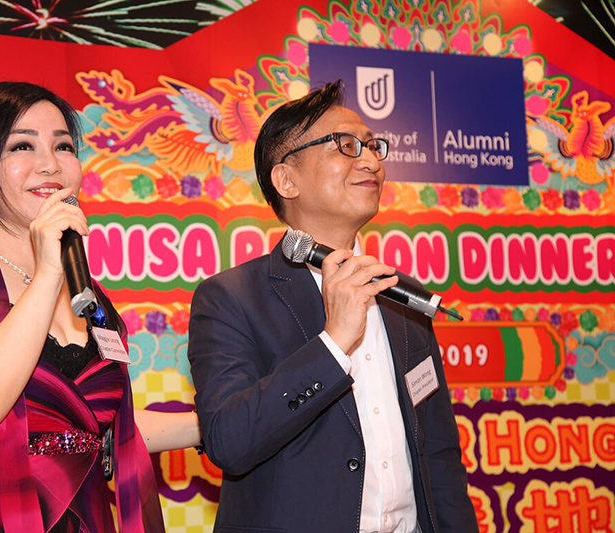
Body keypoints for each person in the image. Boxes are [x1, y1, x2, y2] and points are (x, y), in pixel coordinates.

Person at [0, 81, 200, 533]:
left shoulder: (89, 295)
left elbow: (101, 432)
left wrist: (214, 425)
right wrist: (47, 276)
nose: (50, 164)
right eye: (22, 146)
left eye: (63, 146)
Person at [187, 81, 477, 532]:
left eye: (373, 146)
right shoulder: (230, 297)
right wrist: (334, 342)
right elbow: (229, 441)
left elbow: (437, 451)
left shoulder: (402, 295)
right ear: (287, 180)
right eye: (345, 145)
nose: (371, 161)